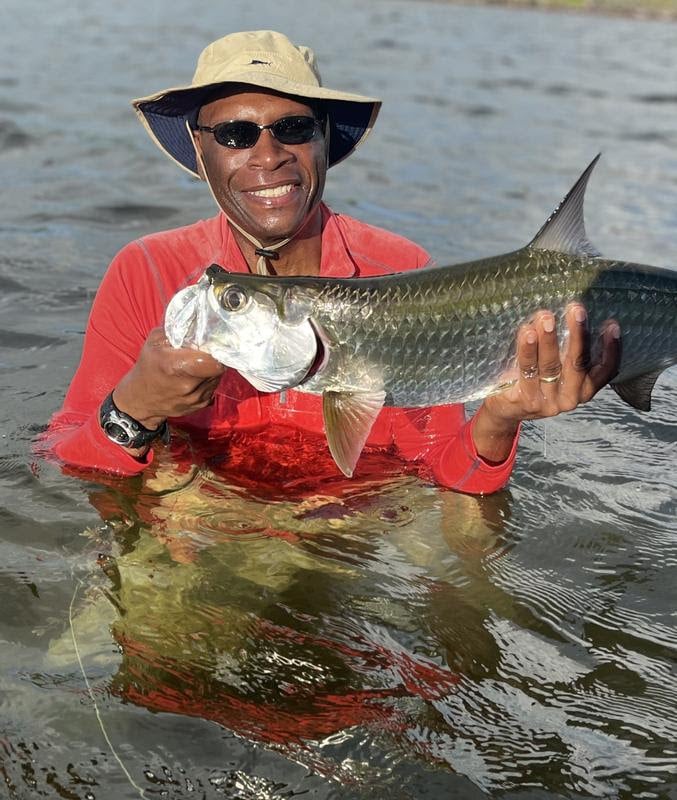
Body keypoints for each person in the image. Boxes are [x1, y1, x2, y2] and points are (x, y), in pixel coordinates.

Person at [43, 30, 620, 495]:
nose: (268, 157)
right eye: (236, 134)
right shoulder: (144, 271)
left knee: (463, 550)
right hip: (199, 528)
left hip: (352, 534)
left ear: (323, 141)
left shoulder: (402, 270)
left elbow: (447, 478)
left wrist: (499, 419)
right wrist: (135, 407)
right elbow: (67, 467)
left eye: (293, 129)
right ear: (201, 150)